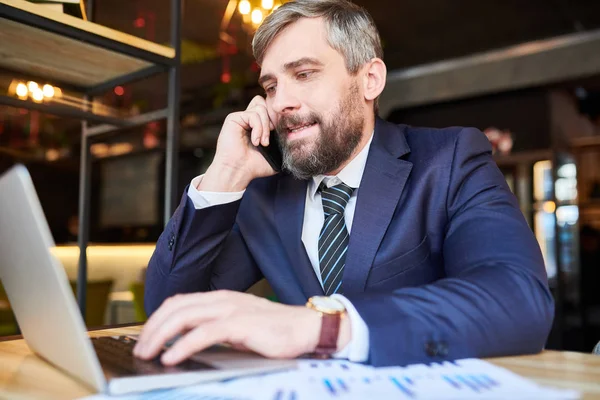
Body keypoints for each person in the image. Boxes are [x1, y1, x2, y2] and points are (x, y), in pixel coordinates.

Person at [134, 0, 554, 367]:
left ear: (370, 79)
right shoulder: (263, 193)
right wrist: (225, 172)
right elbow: (170, 312)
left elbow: (518, 299)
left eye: (304, 74)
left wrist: (324, 328)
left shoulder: (450, 161)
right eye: (271, 86)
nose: (280, 102)